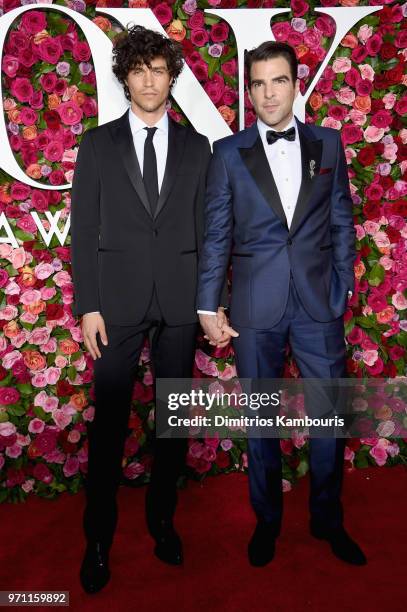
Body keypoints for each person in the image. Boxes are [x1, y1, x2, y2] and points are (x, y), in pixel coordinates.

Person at [197, 41, 366, 567]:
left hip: (319, 304)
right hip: (254, 306)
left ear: (295, 84)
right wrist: (209, 303)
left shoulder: (329, 146)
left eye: (279, 81)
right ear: (250, 91)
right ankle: (267, 522)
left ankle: (327, 521)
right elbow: (217, 234)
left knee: (328, 419)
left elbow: (342, 221)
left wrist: (343, 286)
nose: (270, 93)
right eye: (259, 83)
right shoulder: (228, 153)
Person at [70, 25, 219, 594]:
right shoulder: (97, 145)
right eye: (139, 70)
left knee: (173, 424)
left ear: (171, 77)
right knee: (108, 424)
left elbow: (208, 231)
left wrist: (210, 301)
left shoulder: (195, 145)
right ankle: (98, 538)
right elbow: (83, 232)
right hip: (117, 305)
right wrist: (88, 306)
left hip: (181, 303)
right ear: (125, 77)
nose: (149, 80)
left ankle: (162, 520)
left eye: (159, 69)